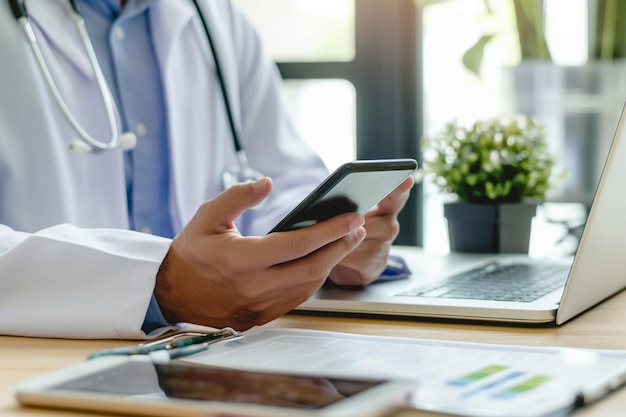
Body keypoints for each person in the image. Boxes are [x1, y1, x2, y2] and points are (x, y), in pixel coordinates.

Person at [0, 0, 414, 339]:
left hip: (210, 346)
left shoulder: (215, 18)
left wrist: (326, 243)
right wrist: (162, 285)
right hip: (35, 357)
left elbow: (279, 177)